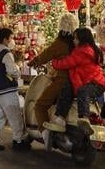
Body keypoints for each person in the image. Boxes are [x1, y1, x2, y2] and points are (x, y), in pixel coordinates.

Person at [45, 27, 105, 136]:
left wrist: (54, 62)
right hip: (86, 82)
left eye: (76, 38)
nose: (74, 41)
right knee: (67, 89)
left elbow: (67, 62)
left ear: (82, 40)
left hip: (96, 83)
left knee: (83, 92)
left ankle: (84, 118)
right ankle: (60, 118)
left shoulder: (83, 51)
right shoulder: (84, 50)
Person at [29, 12, 78, 148]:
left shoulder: (60, 43)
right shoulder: (77, 43)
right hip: (78, 81)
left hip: (62, 80)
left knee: (40, 105)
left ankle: (45, 135)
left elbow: (45, 55)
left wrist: (33, 62)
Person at [0, 27, 30, 152]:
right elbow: (12, 71)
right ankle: (18, 141)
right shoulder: (6, 53)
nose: (12, 40)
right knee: (14, 114)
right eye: (11, 38)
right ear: (5, 39)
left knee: (0, 114)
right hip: (6, 89)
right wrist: (18, 71)